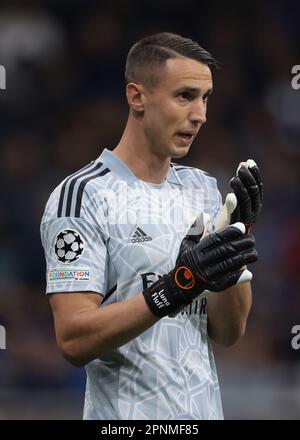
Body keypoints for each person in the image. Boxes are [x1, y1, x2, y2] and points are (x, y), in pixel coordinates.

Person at [40, 32, 262, 420]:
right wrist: (178, 286)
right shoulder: (82, 196)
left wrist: (234, 247)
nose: (200, 114)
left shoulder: (202, 188)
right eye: (185, 96)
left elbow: (228, 334)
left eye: (205, 97)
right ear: (137, 97)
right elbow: (73, 339)